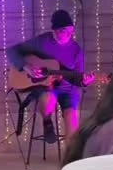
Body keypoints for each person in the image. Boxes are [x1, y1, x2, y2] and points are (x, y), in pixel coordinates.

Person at [7, 10, 93, 143]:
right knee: (48, 98)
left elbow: (78, 78)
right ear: (55, 30)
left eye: (71, 31)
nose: (69, 34)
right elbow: (12, 51)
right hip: (46, 88)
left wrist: (84, 82)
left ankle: (71, 153)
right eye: (65, 31)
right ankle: (47, 122)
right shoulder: (41, 42)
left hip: (68, 90)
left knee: (72, 123)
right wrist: (26, 66)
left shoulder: (76, 50)